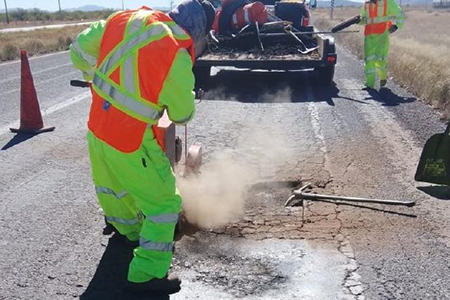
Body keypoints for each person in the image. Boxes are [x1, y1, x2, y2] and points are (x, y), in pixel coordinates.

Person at [69, 0, 215, 295]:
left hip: (98, 129)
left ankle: (130, 234)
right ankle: (147, 275)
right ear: (198, 31)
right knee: (164, 205)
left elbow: (79, 51)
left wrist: (92, 79)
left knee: (115, 191)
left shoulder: (125, 18)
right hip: (130, 139)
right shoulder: (175, 51)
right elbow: (181, 114)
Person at [359, 0, 404, 90]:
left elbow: (399, 13)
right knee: (369, 59)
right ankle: (369, 84)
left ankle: (383, 77)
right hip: (369, 35)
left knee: (381, 59)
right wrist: (359, 20)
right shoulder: (366, 4)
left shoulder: (387, 2)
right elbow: (363, 19)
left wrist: (397, 26)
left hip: (382, 35)